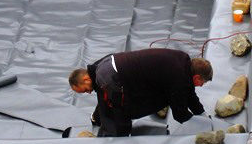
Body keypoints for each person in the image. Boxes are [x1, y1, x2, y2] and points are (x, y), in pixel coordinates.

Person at [68, 48, 212, 137]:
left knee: (109, 96)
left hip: (120, 72)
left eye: (85, 90)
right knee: (118, 106)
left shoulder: (182, 63)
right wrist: (121, 135)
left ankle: (99, 118)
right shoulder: (180, 74)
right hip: (117, 76)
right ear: (197, 77)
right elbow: (180, 113)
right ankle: (110, 129)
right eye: (202, 83)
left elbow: (189, 94)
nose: (88, 93)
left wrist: (201, 114)